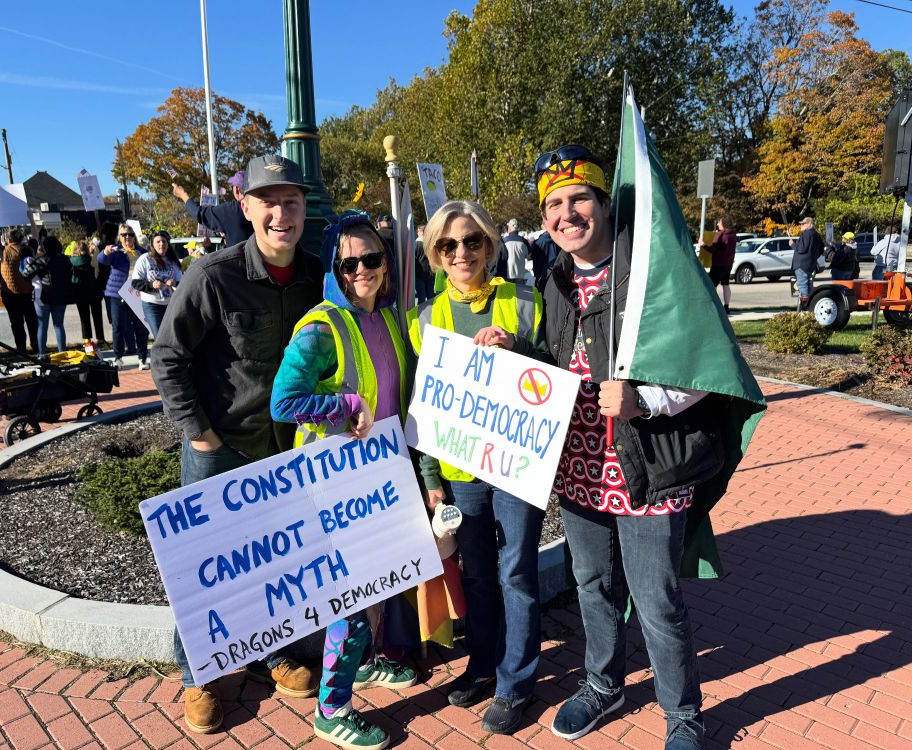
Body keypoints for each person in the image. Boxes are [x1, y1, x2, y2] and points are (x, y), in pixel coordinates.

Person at [536, 144, 722, 750]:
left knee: (656, 599)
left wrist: (645, 400)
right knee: (592, 585)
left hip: (647, 465)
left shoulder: (653, 269)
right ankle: (603, 683)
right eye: (554, 204)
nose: (568, 214)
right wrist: (508, 351)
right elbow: (557, 362)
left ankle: (683, 715)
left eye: (579, 198)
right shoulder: (556, 280)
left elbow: (707, 368)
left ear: (602, 202)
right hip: (580, 469)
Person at [151, 153, 323, 735]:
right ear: (244, 208)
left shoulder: (318, 276)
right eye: (268, 201)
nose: (281, 213)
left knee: (281, 558)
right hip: (220, 448)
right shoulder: (212, 275)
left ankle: (276, 653)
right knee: (204, 567)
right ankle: (198, 674)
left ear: (304, 210)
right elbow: (167, 357)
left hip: (287, 451)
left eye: (291, 202)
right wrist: (198, 434)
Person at [272, 211, 417, 750]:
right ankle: (331, 710)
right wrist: (343, 404)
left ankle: (364, 665)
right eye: (349, 261)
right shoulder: (321, 325)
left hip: (379, 476)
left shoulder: (386, 317)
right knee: (350, 599)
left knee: (375, 587)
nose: (362, 268)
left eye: (371, 258)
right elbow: (284, 403)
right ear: (335, 265)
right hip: (330, 483)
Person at [407, 200, 545, 735]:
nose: (461, 252)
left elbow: (559, 372)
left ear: (489, 244)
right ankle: (483, 663)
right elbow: (420, 404)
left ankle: (517, 682)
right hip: (461, 470)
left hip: (516, 464)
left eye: (471, 241)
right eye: (448, 245)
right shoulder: (425, 319)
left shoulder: (525, 301)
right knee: (479, 574)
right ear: (436, 255)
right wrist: (431, 479)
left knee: (516, 571)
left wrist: (518, 348)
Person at [98, 225, 149, 368]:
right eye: (123, 235)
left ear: (134, 236)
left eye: (130, 234)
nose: (127, 237)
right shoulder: (115, 250)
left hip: (136, 294)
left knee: (140, 327)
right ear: (119, 237)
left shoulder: (142, 252)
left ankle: (143, 358)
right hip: (117, 294)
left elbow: (150, 266)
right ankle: (118, 357)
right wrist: (105, 252)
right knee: (118, 327)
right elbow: (102, 260)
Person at [22, 237, 74, 356]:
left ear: (45, 247)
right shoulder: (65, 260)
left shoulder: (41, 261)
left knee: (42, 326)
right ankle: (62, 353)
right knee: (59, 325)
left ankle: (42, 354)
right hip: (61, 296)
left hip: (43, 296)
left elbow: (25, 275)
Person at [173, 171, 252, 248]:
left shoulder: (232, 210)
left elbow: (198, 213)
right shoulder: (260, 207)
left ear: (237, 190)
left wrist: (183, 195)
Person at [131, 229, 182, 339]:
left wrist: (175, 283)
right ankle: (162, 356)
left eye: (164, 241)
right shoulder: (145, 259)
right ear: (152, 245)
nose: (161, 244)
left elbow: (183, 283)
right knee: (160, 337)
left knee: (173, 337)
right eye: (158, 242)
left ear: (168, 244)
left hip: (171, 305)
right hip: (152, 305)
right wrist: (152, 285)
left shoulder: (173, 261)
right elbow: (135, 283)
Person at [0, 228, 39, 353]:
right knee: (32, 322)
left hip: (11, 295)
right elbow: (35, 238)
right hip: (28, 293)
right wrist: (30, 217)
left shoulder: (4, 252)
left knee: (16, 323)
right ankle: (36, 346)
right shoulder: (29, 250)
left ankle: (21, 349)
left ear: (8, 240)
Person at [68, 240, 106, 345]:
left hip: (79, 293)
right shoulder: (91, 260)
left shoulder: (71, 262)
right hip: (94, 292)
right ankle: (100, 339)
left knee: (84, 317)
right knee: (97, 316)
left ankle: (87, 340)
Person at [699, 216, 736, 313]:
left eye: (719, 222)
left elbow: (712, 249)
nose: (718, 224)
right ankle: (726, 307)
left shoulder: (720, 235)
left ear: (724, 223)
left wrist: (703, 244)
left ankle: (712, 306)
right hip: (728, 264)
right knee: (726, 284)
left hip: (718, 265)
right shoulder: (733, 235)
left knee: (711, 285)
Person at [790, 217, 824, 304]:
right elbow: (821, 249)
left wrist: (793, 245)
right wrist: (813, 257)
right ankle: (811, 305)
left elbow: (801, 249)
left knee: (802, 285)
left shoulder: (806, 234)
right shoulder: (816, 235)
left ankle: (805, 306)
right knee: (809, 286)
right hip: (810, 265)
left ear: (809, 224)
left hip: (802, 265)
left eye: (803, 224)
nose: (801, 225)